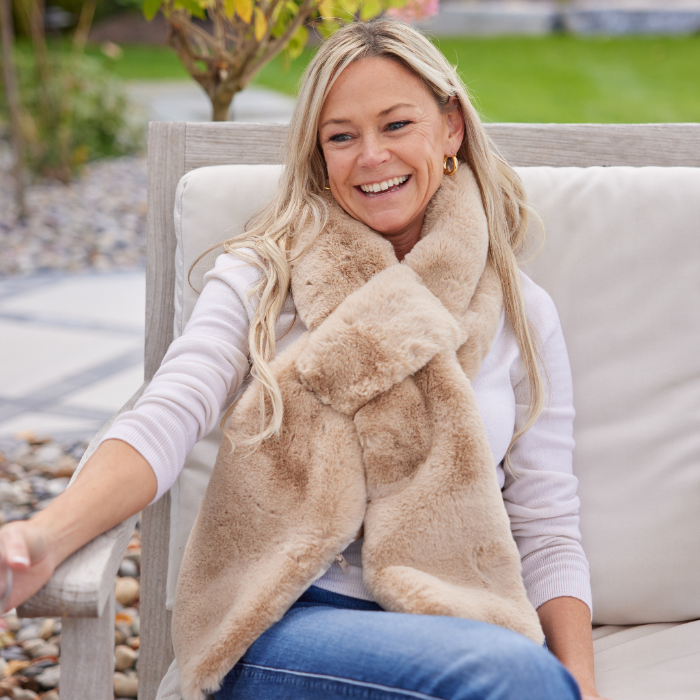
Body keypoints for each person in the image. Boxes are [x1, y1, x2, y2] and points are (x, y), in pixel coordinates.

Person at [0, 19, 611, 700]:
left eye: (397, 124)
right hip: (282, 619)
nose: (371, 156)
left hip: (458, 615)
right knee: (508, 676)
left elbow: (547, 527)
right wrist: (46, 535)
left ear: (450, 130)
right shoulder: (263, 278)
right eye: (341, 137)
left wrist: (580, 685)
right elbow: (168, 413)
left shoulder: (519, 310)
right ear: (319, 156)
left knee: (518, 675)